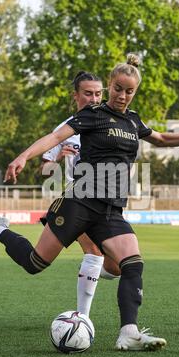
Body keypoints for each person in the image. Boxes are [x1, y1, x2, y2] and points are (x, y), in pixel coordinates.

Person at [0, 54, 179, 351]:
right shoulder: (92, 115)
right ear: (110, 85)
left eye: (129, 91)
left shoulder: (133, 121)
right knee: (34, 263)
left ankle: (129, 332)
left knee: (132, 265)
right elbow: (54, 137)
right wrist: (24, 156)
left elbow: (162, 139)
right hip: (80, 202)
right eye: (117, 88)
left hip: (111, 210)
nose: (122, 95)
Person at [40, 71, 120, 319]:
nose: (94, 99)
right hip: (78, 195)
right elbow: (45, 170)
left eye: (98, 93)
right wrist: (59, 159)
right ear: (75, 96)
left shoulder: (110, 123)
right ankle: (82, 319)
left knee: (117, 266)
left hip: (106, 198)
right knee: (94, 251)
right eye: (88, 94)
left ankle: (89, 270)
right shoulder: (66, 129)